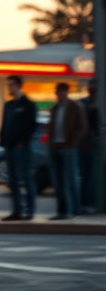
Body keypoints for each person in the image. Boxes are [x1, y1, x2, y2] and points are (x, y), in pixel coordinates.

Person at [0, 75, 38, 221]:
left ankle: (29, 210)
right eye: (8, 85)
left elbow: (31, 125)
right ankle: (17, 210)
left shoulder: (28, 105)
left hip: (21, 147)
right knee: (13, 180)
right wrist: (3, 140)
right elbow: (5, 124)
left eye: (11, 85)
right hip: (9, 146)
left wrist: (23, 141)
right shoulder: (8, 105)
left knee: (26, 178)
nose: (9, 88)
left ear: (18, 86)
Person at [46, 82, 87, 220]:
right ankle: (62, 210)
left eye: (62, 91)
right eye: (58, 92)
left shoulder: (75, 107)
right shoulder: (55, 108)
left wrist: (72, 142)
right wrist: (50, 143)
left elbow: (82, 127)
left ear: (66, 92)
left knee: (71, 178)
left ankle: (75, 209)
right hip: (55, 146)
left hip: (68, 146)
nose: (59, 94)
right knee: (58, 180)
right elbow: (51, 127)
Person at [78, 79, 100, 213]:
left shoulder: (95, 104)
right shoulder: (84, 104)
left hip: (91, 144)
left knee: (89, 176)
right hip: (85, 144)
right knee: (86, 175)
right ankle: (85, 202)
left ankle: (87, 202)